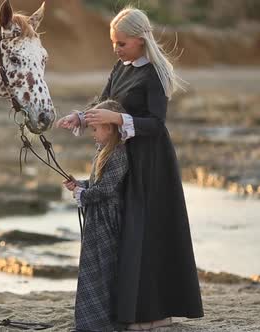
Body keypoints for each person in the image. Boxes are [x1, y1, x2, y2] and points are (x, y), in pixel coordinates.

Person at [58, 7, 204, 331]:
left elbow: (156, 123)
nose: (116, 49)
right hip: (121, 157)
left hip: (151, 164)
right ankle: (132, 312)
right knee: (126, 236)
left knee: (146, 234)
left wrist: (116, 120)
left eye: (121, 43)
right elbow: (105, 102)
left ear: (140, 40)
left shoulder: (154, 73)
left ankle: (156, 314)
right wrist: (82, 117)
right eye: (113, 42)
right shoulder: (121, 67)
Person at [64, 100, 128, 332]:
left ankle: (103, 321)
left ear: (109, 127)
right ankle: (90, 321)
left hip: (107, 221)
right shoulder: (102, 151)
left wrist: (84, 194)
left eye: (95, 129)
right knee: (91, 266)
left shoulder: (119, 153)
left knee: (104, 268)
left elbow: (106, 189)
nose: (92, 134)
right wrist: (79, 184)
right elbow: (95, 184)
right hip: (96, 218)